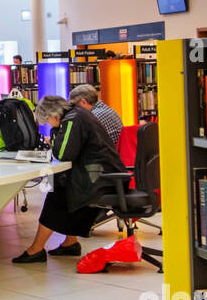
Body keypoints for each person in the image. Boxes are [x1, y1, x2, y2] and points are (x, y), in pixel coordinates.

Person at [12, 93, 126, 264]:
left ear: (53, 115)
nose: (48, 124)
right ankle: (70, 242)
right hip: (103, 173)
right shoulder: (77, 113)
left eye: (47, 121)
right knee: (60, 185)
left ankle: (36, 249)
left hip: (99, 178)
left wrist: (55, 133)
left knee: (56, 197)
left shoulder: (72, 120)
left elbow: (63, 153)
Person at [69, 82, 123, 147]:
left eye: (75, 105)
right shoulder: (107, 110)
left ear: (83, 102)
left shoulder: (93, 117)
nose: (74, 109)